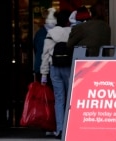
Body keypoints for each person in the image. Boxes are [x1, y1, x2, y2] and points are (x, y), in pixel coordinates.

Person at [40, 9, 72, 139]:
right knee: (71, 98)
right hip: (69, 67)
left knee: (59, 99)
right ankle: (71, 127)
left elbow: (45, 55)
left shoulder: (50, 33)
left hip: (55, 68)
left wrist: (43, 74)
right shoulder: (72, 32)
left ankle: (60, 129)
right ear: (68, 21)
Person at [33, 7, 57, 84]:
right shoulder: (42, 35)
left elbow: (36, 49)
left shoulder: (40, 33)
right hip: (45, 69)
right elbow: (41, 52)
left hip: (42, 68)